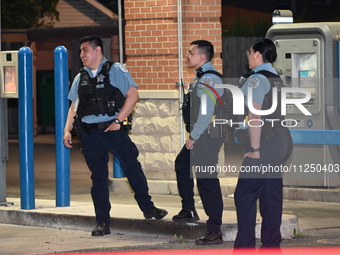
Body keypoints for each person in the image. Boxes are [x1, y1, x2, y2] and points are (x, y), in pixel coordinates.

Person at [63, 35, 168, 236]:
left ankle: (148, 207)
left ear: (97, 50)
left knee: (132, 167)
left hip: (113, 130)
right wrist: (67, 129)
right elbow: (73, 106)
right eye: (81, 51)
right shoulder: (80, 77)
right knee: (99, 179)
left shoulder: (115, 70)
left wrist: (118, 120)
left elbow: (133, 95)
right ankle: (102, 223)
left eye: (85, 50)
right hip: (90, 134)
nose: (82, 54)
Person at [233, 38, 293, 248]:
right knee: (270, 195)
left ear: (258, 54)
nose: (248, 57)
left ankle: (244, 248)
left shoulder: (257, 79)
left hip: (265, 144)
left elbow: (255, 115)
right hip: (281, 141)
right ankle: (271, 247)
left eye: (250, 53)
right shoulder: (276, 77)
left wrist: (255, 149)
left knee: (245, 195)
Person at [173, 40, 225, 245]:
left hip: (206, 136)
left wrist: (193, 137)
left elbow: (206, 112)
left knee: (207, 180)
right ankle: (189, 209)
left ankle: (215, 230)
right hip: (203, 135)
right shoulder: (202, 77)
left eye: (190, 53)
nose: (187, 56)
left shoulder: (209, 79)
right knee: (182, 165)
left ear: (202, 57)